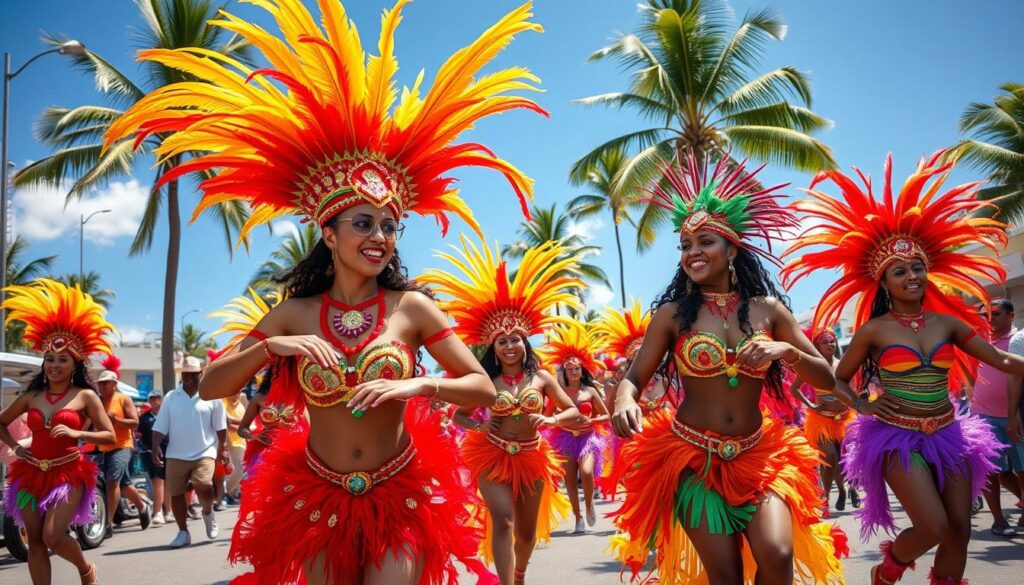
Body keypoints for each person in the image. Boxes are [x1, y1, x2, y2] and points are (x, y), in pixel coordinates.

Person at [106, 0, 547, 581]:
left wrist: (417, 382)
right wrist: (273, 348)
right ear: (328, 233)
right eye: (363, 223)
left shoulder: (410, 307)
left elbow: (482, 389)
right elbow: (212, 385)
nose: (380, 237)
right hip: (316, 492)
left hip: (400, 488)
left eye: (390, 225)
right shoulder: (293, 312)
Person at [781, 150, 1018, 585]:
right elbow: (837, 378)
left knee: (960, 529)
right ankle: (886, 570)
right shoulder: (874, 330)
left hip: (950, 432)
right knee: (933, 527)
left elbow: (1001, 359)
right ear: (883, 282)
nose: (911, 276)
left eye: (917, 267)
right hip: (896, 435)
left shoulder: (948, 323)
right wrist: (861, 405)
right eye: (899, 271)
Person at [609, 155, 846, 585]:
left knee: (777, 556)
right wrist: (624, 399)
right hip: (691, 456)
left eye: (705, 242)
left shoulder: (768, 310)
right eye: (685, 246)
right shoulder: (672, 315)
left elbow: (826, 378)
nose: (693, 253)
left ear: (732, 249)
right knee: (728, 575)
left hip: (759, 453)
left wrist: (785, 352)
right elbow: (633, 378)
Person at [420, 236, 581, 585]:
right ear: (493, 347)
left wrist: (552, 418)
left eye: (515, 339)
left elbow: (574, 414)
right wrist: (481, 427)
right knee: (503, 520)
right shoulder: (485, 382)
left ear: (525, 343)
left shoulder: (541, 377)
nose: (510, 346)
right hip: (491, 454)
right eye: (502, 341)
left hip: (532, 456)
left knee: (525, 535)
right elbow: (459, 416)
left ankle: (519, 573)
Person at [0, 279, 116, 585]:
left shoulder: (86, 396)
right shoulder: (31, 396)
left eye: (62, 360)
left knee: (53, 535)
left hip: (68, 475)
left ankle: (85, 569)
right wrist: (16, 446)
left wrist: (79, 435)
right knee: (34, 540)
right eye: (49, 359)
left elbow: (109, 436)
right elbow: (1, 421)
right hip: (28, 474)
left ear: (74, 364)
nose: (54, 365)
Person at [151, 356, 228, 548]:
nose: (189, 378)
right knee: (176, 493)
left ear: (200, 374)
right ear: (181, 374)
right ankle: (183, 532)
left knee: (203, 484)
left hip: (205, 451)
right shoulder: (171, 397)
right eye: (186, 374)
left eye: (194, 374)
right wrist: (155, 447)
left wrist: (223, 449)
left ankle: (208, 511)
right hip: (176, 453)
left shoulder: (212, 395)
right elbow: (160, 426)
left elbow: (221, 427)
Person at [540, 322, 610, 534]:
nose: (573, 371)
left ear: (582, 370)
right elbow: (547, 415)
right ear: (564, 371)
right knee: (569, 478)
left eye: (576, 368)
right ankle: (578, 517)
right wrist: (555, 421)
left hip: (588, 437)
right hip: (564, 437)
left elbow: (606, 414)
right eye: (569, 368)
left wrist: (593, 422)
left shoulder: (590, 391)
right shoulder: (558, 392)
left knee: (587, 472)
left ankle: (589, 504)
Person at [788, 328, 859, 513]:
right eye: (825, 342)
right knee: (830, 457)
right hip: (821, 421)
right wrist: (810, 404)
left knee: (849, 457)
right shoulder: (813, 367)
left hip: (845, 419)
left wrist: (859, 403)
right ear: (817, 346)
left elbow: (852, 390)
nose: (830, 345)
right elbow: (794, 389)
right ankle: (825, 497)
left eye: (832, 341)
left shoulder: (842, 365)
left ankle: (850, 489)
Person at [974, 299, 1024, 535]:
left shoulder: (1019, 341)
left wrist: (1013, 415)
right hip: (982, 415)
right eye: (984, 314)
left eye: (995, 313)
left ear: (1011, 315)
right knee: (992, 471)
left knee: (1022, 469)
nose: (989, 318)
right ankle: (998, 520)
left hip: (1016, 417)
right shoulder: (979, 342)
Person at [95, 367, 152, 535]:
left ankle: (108, 523)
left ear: (114, 384)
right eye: (100, 384)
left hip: (122, 446)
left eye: (106, 383)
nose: (102, 386)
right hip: (103, 447)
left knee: (112, 481)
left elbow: (135, 423)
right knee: (123, 484)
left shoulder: (123, 399)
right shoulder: (96, 401)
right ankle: (142, 506)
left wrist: (116, 419)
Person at [138, 387, 171, 524]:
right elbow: (138, 434)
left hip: (170, 450)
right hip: (151, 452)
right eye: (152, 399)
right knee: (157, 481)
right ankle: (157, 512)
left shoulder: (169, 415)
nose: (155, 401)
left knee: (168, 482)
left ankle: (168, 511)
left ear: (162, 400)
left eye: (157, 398)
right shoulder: (144, 418)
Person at [220, 387, 247, 507]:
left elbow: (245, 422)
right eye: (234, 391)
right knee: (239, 468)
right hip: (228, 441)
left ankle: (230, 493)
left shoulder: (240, 405)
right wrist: (241, 423)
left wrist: (235, 422)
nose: (236, 394)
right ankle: (224, 492)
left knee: (238, 470)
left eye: (238, 391)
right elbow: (227, 424)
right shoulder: (222, 402)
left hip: (241, 441)